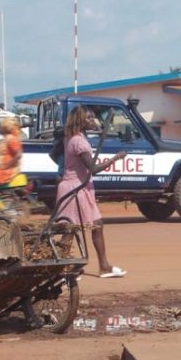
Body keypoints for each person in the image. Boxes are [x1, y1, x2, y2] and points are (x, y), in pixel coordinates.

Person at [55, 106, 127, 278]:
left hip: (80, 187)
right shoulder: (79, 142)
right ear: (80, 121)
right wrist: (116, 158)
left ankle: (104, 266)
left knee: (97, 225)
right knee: (70, 230)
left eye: (93, 117)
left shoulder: (72, 138)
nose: (92, 121)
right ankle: (61, 269)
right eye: (89, 118)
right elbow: (93, 168)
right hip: (75, 189)